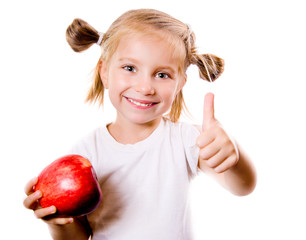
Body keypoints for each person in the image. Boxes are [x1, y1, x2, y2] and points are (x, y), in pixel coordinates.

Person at [23, 8, 256, 240]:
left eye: (162, 75)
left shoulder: (187, 140)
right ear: (104, 72)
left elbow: (243, 186)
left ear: (180, 84)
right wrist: (58, 222)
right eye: (130, 68)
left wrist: (232, 157)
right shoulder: (86, 152)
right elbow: (79, 237)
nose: (145, 87)